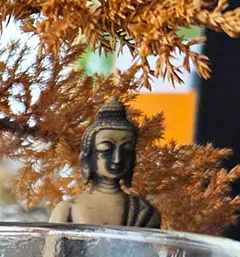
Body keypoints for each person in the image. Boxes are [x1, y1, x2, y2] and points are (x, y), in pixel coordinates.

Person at [49, 97, 161, 229]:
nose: (117, 159)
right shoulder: (68, 208)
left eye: (126, 150)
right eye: (106, 149)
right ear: (87, 158)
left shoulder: (144, 211)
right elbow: (53, 242)